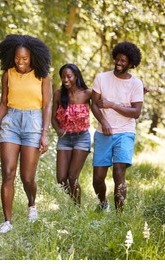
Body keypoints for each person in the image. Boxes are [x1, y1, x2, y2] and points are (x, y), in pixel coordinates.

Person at [0, 35, 52, 233]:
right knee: (8, 173)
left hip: (33, 124)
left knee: (27, 177)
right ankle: (7, 221)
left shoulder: (42, 76)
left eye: (25, 59)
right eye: (17, 58)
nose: (20, 62)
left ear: (32, 57)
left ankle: (32, 204)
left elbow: (46, 106)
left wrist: (45, 134)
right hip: (11, 122)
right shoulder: (7, 74)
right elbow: (3, 103)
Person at [91, 42, 144, 212]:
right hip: (103, 132)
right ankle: (103, 203)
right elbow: (94, 104)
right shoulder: (101, 78)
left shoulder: (136, 84)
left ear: (131, 64)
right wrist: (104, 122)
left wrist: (112, 105)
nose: (119, 63)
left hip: (125, 132)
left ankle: (119, 216)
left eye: (124, 61)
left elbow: (136, 112)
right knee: (98, 177)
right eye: (118, 59)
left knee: (118, 172)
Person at [51, 64, 92, 205]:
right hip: (65, 138)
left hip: (82, 137)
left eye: (69, 76)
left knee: (73, 177)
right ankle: (75, 200)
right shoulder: (58, 94)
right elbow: (53, 118)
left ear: (76, 76)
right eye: (63, 77)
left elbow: (102, 107)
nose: (65, 79)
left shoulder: (87, 93)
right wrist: (58, 129)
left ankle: (77, 207)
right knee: (61, 179)